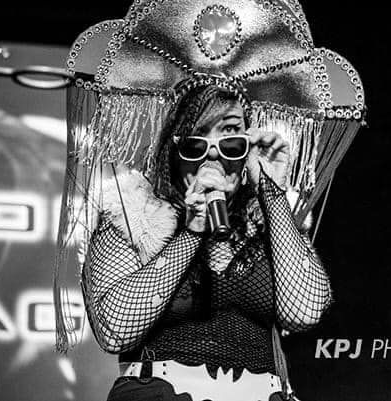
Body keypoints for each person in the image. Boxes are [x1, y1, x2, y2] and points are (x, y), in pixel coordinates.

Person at [81, 82, 333, 401]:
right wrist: (192, 231)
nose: (213, 154)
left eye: (231, 141)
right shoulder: (133, 212)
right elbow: (114, 330)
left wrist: (272, 192)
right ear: (175, 151)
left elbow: (305, 312)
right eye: (196, 144)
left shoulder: (267, 221)